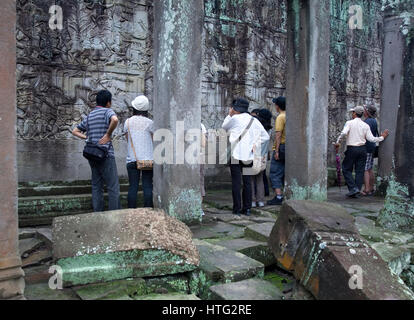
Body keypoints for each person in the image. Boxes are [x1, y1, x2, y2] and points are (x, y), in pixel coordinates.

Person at [72, 90, 121, 212]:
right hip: (106, 154)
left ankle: (97, 214)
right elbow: (115, 120)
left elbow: (75, 131)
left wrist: (87, 138)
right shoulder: (108, 111)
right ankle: (114, 215)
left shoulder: (90, 115)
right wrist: (108, 134)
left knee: (96, 186)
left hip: (92, 155)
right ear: (108, 102)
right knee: (113, 187)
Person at [222, 98, 270, 216]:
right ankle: (247, 209)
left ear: (235, 108)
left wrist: (229, 115)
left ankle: (237, 209)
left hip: (235, 156)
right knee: (247, 182)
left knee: (236, 183)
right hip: (248, 156)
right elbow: (265, 137)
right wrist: (255, 144)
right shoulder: (254, 120)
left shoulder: (234, 119)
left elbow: (224, 127)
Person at [335, 106, 389, 198]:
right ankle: (356, 190)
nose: (352, 114)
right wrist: (382, 137)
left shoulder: (349, 123)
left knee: (346, 169)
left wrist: (337, 142)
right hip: (363, 150)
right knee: (360, 171)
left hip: (352, 149)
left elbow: (343, 133)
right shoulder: (365, 125)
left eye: (353, 112)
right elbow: (372, 139)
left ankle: (353, 188)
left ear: (355, 114)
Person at [123, 95, 154, 208]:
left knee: (133, 187)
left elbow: (128, 139)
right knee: (147, 186)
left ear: (134, 108)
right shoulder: (150, 123)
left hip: (132, 159)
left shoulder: (128, 122)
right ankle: (148, 210)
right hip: (148, 160)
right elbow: (154, 140)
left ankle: (131, 211)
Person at [251, 109, 273, 208]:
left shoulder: (256, 128)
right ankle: (260, 200)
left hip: (253, 155)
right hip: (263, 156)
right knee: (260, 179)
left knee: (250, 179)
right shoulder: (269, 129)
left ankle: (252, 200)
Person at [267, 97, 286, 206]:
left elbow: (278, 134)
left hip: (282, 146)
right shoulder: (290, 115)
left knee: (275, 172)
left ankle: (278, 196)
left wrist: (277, 150)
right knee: (284, 172)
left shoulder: (280, 117)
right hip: (290, 147)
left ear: (278, 106)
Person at [362, 106, 379, 196]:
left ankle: (367, 189)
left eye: (364, 110)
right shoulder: (374, 121)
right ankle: (371, 187)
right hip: (372, 146)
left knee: (365, 169)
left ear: (367, 112)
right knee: (370, 168)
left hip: (367, 146)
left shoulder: (367, 122)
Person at [200, 123, 207, 216]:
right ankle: (198, 208)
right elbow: (203, 144)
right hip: (198, 157)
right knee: (199, 183)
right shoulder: (200, 125)